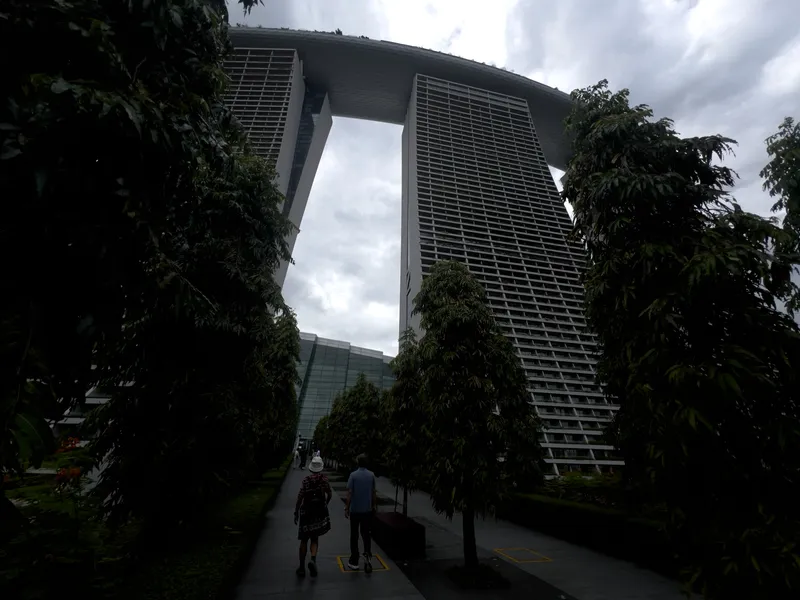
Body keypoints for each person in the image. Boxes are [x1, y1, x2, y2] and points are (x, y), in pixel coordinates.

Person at [294, 456, 332, 577]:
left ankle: (301, 567)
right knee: (315, 538)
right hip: (318, 512)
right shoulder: (324, 479)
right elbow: (329, 493)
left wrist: (296, 511)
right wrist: (326, 503)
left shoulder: (306, 480)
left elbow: (300, 496)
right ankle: (313, 559)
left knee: (304, 539)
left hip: (306, 512)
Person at [344, 453, 377, 571]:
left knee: (354, 535)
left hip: (355, 510)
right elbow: (373, 492)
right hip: (367, 511)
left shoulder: (353, 475)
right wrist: (374, 506)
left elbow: (349, 493)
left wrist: (346, 508)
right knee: (366, 534)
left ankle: (354, 560)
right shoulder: (371, 475)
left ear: (358, 463)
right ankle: (367, 558)